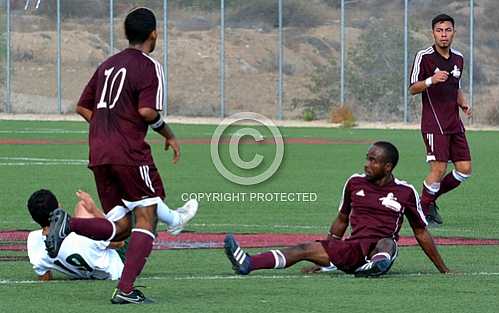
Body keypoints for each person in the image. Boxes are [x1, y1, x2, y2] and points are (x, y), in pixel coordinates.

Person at [44, 7, 198, 304]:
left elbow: (83, 107)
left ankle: (69, 225)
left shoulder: (107, 65)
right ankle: (126, 290)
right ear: (154, 33)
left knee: (122, 224)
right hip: (127, 151)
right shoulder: (149, 66)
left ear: (127, 34)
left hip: (99, 151)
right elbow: (146, 111)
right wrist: (168, 133)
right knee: (147, 216)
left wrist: (106, 130)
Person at [224, 142, 449, 277]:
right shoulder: (354, 182)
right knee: (304, 248)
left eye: (373, 161)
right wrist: (327, 254)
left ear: (388, 166)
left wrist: (443, 269)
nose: (367, 164)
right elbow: (342, 219)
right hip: (353, 247)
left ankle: (375, 266)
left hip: (380, 245)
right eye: (367, 159)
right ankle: (248, 263)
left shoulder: (405, 191)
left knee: (387, 243)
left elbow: (420, 232)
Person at [409, 14, 472, 226]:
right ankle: (421, 212)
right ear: (433, 33)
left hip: (454, 123)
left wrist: (463, 102)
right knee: (438, 170)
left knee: (464, 169)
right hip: (434, 124)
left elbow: (456, 86)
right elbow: (412, 88)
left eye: (448, 30)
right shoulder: (424, 57)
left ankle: (426, 200)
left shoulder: (459, 58)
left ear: (454, 32)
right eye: (439, 30)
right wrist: (431, 80)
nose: (444, 34)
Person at [27, 189, 124, 281]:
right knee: (83, 206)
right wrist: (94, 209)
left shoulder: (33, 241)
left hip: (91, 269)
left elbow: (44, 275)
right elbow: (119, 242)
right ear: (59, 208)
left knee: (81, 208)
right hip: (119, 266)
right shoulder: (82, 232)